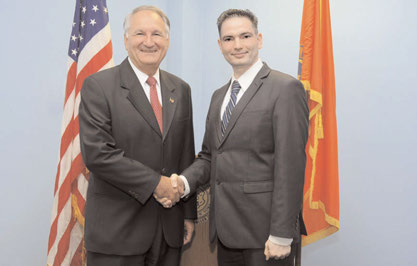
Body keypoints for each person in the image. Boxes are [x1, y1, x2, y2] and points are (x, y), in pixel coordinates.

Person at [167, 8, 309, 266]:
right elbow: (211, 156)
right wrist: (183, 183)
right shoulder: (219, 96)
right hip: (225, 232)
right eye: (229, 39)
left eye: (245, 36)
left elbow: (291, 165)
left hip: (266, 235)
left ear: (259, 39)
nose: (238, 45)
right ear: (220, 45)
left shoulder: (285, 88)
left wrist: (282, 233)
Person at [78, 5, 196, 266]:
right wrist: (157, 183)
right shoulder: (98, 86)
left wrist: (188, 214)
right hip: (117, 233)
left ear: (167, 40)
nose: (149, 42)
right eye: (140, 33)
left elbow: (186, 152)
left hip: (169, 229)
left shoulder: (181, 89)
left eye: (157, 34)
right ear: (125, 40)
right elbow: (98, 154)